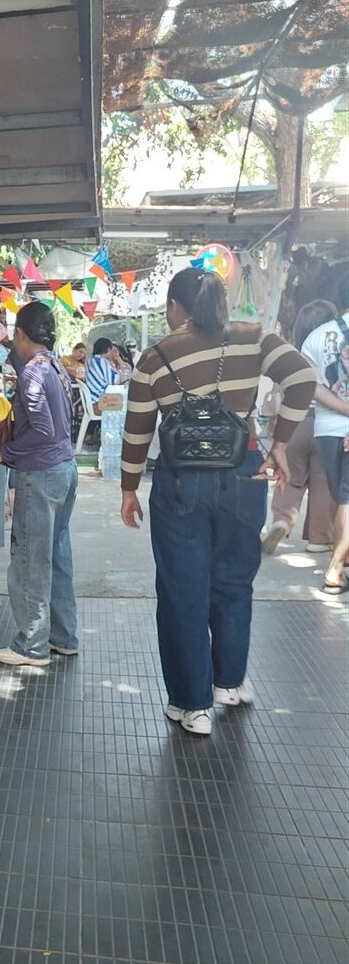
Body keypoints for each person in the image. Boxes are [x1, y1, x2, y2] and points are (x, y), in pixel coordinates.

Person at [120, 267, 316, 735]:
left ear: (174, 308)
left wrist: (128, 487)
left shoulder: (155, 357)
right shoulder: (255, 337)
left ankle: (192, 705)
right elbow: (304, 378)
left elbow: (137, 429)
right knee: (233, 581)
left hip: (181, 483)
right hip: (244, 474)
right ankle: (229, 683)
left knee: (182, 590)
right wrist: (280, 445)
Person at [0, 301, 78, 666]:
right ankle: (63, 637)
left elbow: (43, 431)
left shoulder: (33, 373)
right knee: (57, 556)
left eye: (14, 336)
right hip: (65, 470)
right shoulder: (54, 366)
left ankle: (31, 646)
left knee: (31, 562)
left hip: (43, 474)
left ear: (21, 335)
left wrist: (2, 453)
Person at [262, 300, 338, 555]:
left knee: (290, 477)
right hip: (326, 424)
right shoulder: (337, 357)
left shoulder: (290, 356)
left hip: (293, 425)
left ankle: (282, 521)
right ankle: (319, 538)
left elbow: (276, 395)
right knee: (323, 482)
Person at [300, 276, 349, 595]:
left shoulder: (315, 337)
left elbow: (311, 386)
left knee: (341, 496)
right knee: (346, 498)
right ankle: (335, 568)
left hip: (327, 430)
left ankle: (341, 561)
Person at [85, 338, 120, 404]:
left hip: (92, 400)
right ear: (108, 349)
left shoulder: (90, 360)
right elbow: (114, 381)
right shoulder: (102, 361)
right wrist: (119, 363)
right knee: (126, 402)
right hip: (100, 401)